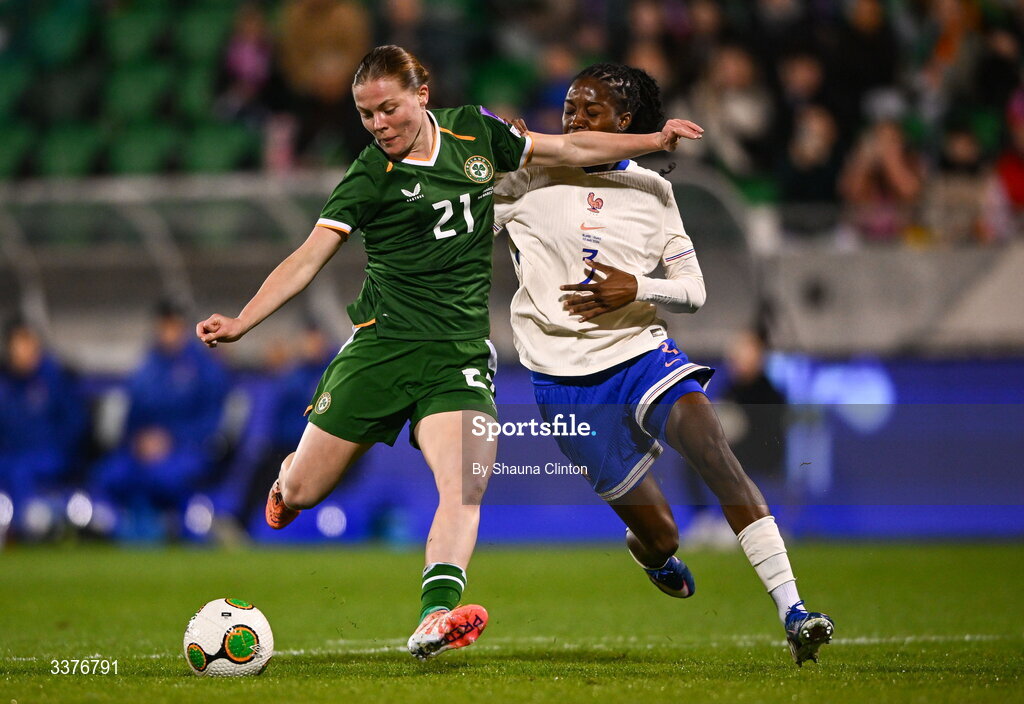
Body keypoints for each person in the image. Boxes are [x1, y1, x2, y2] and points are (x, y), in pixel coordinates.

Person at [195, 45, 703, 660]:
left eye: (388, 109)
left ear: (422, 96)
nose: (379, 125)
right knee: (303, 493)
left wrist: (655, 138)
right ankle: (287, 480)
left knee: (463, 486)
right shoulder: (368, 177)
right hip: (381, 348)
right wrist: (242, 322)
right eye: (366, 115)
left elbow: (569, 148)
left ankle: (436, 616)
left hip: (458, 354)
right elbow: (307, 258)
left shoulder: (476, 133)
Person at [493, 63, 834, 666]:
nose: (573, 119)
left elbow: (695, 291)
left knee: (714, 451)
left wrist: (638, 288)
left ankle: (793, 610)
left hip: (641, 355)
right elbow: (453, 227)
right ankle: (652, 555)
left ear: (625, 124)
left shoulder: (654, 192)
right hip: (564, 380)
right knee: (662, 533)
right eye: (569, 108)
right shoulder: (526, 174)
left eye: (590, 111)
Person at [0, 317, 88, 537]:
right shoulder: (4, 384)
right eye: (18, 343)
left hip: (49, 455)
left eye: (28, 342)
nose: (24, 350)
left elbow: (75, 423)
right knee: (14, 469)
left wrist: (61, 450)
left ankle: (24, 526)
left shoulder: (54, 378)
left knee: (22, 471)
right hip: (10, 457)